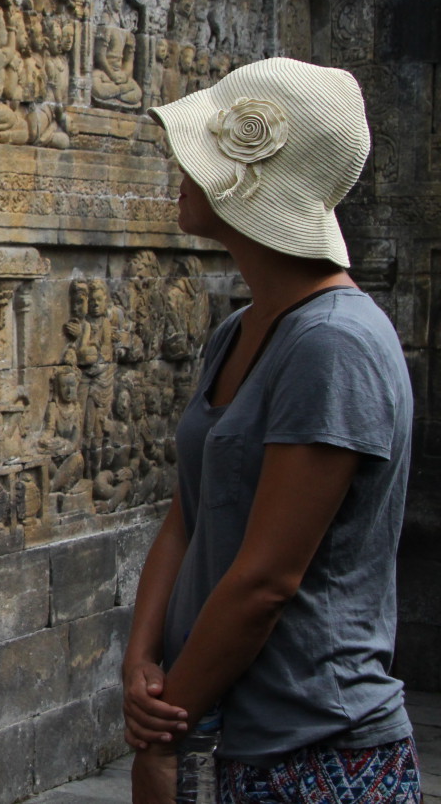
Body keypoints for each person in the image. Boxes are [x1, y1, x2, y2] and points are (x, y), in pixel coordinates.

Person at [122, 58, 419, 803]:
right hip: (226, 724)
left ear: (250, 184)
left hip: (317, 745)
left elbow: (265, 581)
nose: (180, 172)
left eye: (200, 158)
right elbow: (189, 514)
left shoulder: (333, 343)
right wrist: (140, 660)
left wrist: (167, 732)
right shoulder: (242, 330)